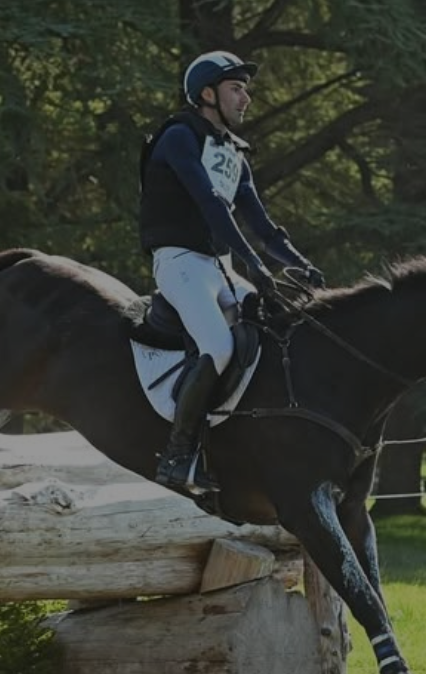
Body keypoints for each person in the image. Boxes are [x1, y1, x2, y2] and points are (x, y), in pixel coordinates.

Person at [139, 50, 326, 494]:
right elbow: (209, 205)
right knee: (219, 346)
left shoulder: (232, 153)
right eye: (236, 89)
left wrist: (299, 263)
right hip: (180, 262)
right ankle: (179, 454)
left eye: (246, 89)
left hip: (217, 267)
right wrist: (257, 267)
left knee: (272, 330)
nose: (246, 98)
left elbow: (261, 223)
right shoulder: (179, 137)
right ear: (207, 94)